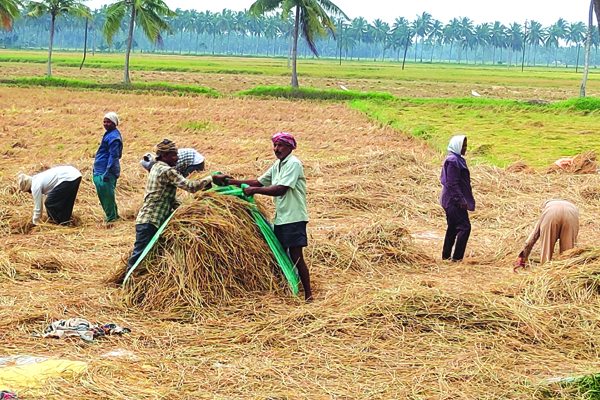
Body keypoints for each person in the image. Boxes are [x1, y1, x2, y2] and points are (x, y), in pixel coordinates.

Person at [213, 132, 313, 302]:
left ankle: (308, 294)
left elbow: (281, 189)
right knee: (281, 253)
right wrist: (231, 182)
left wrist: (254, 191)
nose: (276, 149)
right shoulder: (278, 165)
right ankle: (290, 285)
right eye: (275, 145)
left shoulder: (294, 164)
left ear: (290, 147)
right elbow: (258, 182)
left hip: (294, 217)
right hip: (282, 217)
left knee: (296, 255)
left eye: (280, 145)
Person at [126, 139, 214, 272]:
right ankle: (128, 282)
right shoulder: (167, 172)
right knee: (140, 257)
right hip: (150, 221)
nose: (177, 158)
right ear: (164, 156)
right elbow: (191, 186)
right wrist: (211, 178)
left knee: (149, 256)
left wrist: (190, 208)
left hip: (150, 220)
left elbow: (170, 200)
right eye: (174, 155)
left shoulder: (156, 167)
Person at [515, 200, 579, 270]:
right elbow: (575, 242)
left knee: (547, 248)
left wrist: (524, 254)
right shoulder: (571, 206)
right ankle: (567, 270)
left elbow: (534, 235)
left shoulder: (547, 209)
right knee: (568, 250)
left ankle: (545, 269)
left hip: (551, 214)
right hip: (571, 214)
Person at [440, 135, 475, 262]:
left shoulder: (457, 159)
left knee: (453, 227)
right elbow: (451, 183)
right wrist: (461, 200)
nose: (465, 148)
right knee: (465, 227)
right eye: (463, 146)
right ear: (457, 146)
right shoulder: (453, 161)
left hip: (451, 200)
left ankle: (446, 256)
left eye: (465, 145)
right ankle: (456, 258)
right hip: (453, 201)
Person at [17, 166, 82, 225]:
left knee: (49, 203)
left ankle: (54, 223)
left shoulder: (35, 185)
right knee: (66, 202)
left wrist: (35, 221)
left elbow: (38, 207)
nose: (30, 193)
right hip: (75, 175)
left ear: (28, 187)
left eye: (28, 191)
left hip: (67, 177)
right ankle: (64, 222)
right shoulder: (38, 178)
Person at [93, 112, 123, 223]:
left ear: (114, 123)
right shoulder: (109, 134)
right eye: (104, 122)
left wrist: (107, 171)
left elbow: (114, 156)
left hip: (105, 171)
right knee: (105, 194)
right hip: (101, 169)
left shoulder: (114, 137)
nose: (105, 124)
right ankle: (113, 215)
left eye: (108, 122)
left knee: (107, 196)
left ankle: (111, 219)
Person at [140, 148, 205, 177]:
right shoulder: (164, 159)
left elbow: (176, 176)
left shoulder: (170, 163)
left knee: (188, 179)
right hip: (190, 159)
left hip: (196, 162)